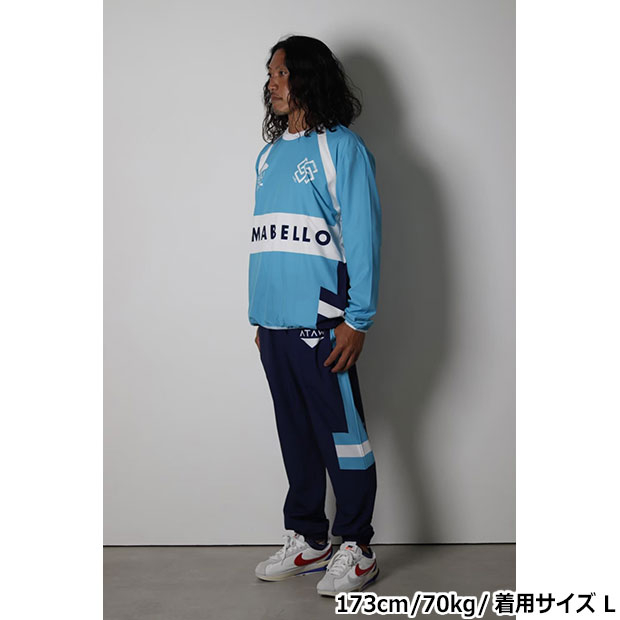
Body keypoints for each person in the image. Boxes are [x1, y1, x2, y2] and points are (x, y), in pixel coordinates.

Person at [249, 35, 382, 597]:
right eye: (271, 74)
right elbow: (270, 240)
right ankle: (309, 538)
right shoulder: (269, 155)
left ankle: (357, 547)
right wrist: (261, 318)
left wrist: (358, 319)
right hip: (274, 327)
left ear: (308, 77)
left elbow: (364, 237)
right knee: (296, 434)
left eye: (281, 73)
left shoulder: (341, 148)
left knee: (343, 437)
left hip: (324, 325)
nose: (272, 84)